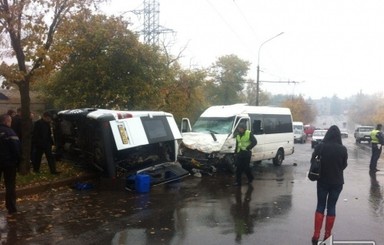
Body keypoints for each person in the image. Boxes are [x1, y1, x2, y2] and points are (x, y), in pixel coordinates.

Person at [311, 125, 348, 244]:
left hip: (322, 181)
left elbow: (313, 160)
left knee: (320, 205)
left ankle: (316, 235)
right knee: (331, 207)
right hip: (337, 182)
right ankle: (327, 235)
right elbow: (344, 166)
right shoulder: (342, 149)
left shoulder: (321, 146)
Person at [0, 114, 21, 215]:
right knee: (10, 185)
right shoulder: (10, 132)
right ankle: (11, 208)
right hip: (9, 163)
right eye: (10, 121)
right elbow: (16, 148)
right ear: (6, 121)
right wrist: (18, 160)